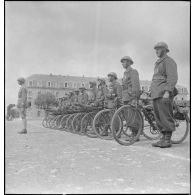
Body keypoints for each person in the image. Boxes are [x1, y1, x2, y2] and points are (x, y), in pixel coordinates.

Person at [150, 42, 178, 148]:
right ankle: (162, 137)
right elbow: (156, 78)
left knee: (165, 116)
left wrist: (167, 92)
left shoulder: (169, 61)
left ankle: (167, 139)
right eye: (155, 49)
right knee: (158, 117)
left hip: (164, 93)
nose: (156, 51)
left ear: (165, 50)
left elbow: (172, 78)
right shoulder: (157, 63)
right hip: (156, 93)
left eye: (159, 49)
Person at [121, 56, 141, 140]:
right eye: (122, 62)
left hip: (131, 96)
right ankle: (133, 132)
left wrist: (135, 97)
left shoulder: (133, 71)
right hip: (126, 97)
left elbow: (135, 85)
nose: (122, 63)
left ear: (129, 62)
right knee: (128, 117)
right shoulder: (125, 73)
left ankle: (136, 134)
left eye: (124, 62)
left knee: (133, 116)